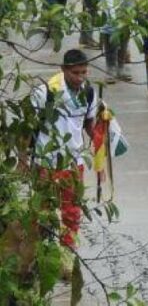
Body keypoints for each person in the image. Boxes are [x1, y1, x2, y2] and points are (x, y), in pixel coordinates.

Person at [30, 49, 97, 278]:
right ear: (64, 70)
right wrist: (22, 160)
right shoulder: (45, 93)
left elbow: (89, 121)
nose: (80, 77)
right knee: (44, 213)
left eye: (84, 72)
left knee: (71, 213)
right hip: (46, 162)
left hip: (74, 163)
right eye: (76, 73)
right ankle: (43, 258)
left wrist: (100, 140)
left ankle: (67, 259)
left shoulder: (88, 92)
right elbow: (30, 128)